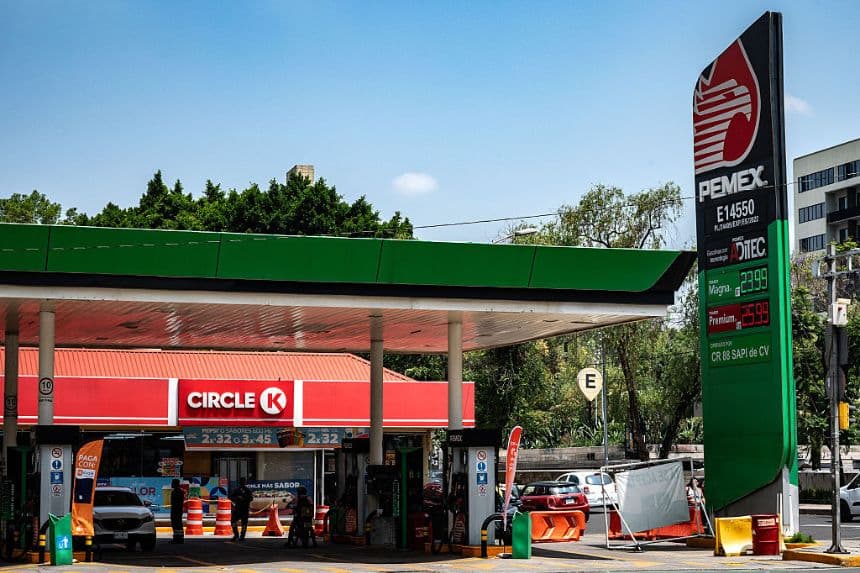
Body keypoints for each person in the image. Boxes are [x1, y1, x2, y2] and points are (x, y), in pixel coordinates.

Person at [170, 479, 185, 544]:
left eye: (172, 483)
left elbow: (175, 503)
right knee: (178, 525)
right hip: (178, 510)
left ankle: (177, 538)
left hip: (176, 510)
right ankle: (179, 538)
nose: (171, 484)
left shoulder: (175, 492)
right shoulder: (180, 491)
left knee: (176, 525)